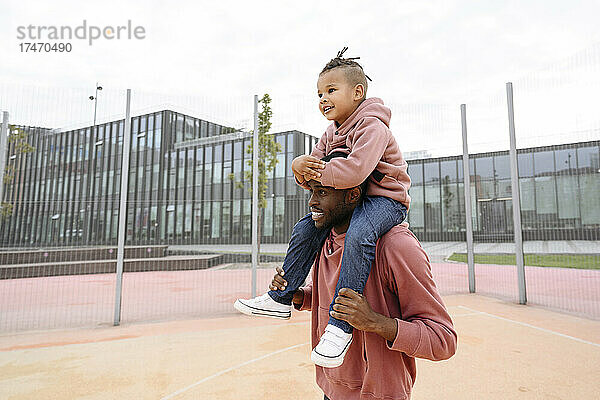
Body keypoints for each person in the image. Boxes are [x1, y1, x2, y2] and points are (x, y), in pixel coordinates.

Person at [234, 47, 411, 368]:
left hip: (385, 200)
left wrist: (310, 168)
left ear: (358, 93)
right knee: (304, 227)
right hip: (351, 201)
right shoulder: (330, 132)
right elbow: (316, 174)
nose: (323, 98)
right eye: (319, 93)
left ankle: (340, 327)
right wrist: (297, 165)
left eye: (331, 90)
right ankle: (280, 297)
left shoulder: (373, 127)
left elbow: (355, 171)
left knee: (359, 235)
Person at [270, 173, 457, 400]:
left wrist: (375, 322)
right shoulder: (324, 240)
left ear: (352, 194)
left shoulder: (397, 246)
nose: (311, 202)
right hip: (330, 390)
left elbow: (443, 340)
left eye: (322, 192)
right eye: (311, 192)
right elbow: (336, 299)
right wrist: (299, 296)